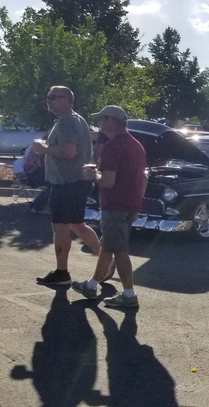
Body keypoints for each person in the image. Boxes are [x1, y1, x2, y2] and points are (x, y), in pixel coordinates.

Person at [70, 106, 147, 308]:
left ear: (111, 121)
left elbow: (109, 181)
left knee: (119, 250)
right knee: (108, 247)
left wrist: (92, 175)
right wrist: (137, 205)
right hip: (128, 206)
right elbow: (143, 178)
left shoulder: (113, 147)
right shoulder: (136, 145)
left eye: (101, 119)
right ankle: (91, 284)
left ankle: (129, 295)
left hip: (114, 206)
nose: (99, 124)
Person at [32, 86, 102, 286]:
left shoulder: (65, 122)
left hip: (66, 183)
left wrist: (43, 148)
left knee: (61, 227)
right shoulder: (78, 119)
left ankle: (62, 273)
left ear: (67, 100)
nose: (49, 100)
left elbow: (68, 151)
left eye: (53, 97)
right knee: (77, 225)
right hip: (78, 182)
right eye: (48, 97)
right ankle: (106, 260)